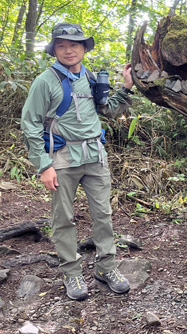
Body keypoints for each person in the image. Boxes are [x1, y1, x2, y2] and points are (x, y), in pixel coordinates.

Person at [21, 23, 135, 301]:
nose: (68, 50)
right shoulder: (44, 81)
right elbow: (30, 124)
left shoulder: (92, 78)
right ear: (54, 50)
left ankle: (106, 268)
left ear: (84, 48)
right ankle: (72, 273)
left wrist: (127, 88)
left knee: (103, 215)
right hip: (61, 160)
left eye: (74, 44)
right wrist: (43, 165)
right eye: (61, 45)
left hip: (95, 156)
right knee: (63, 219)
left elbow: (109, 110)